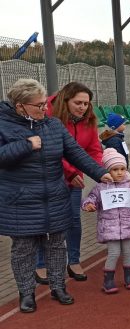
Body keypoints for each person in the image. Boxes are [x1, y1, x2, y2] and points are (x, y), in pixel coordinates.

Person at [0, 78, 111, 313]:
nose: (44, 108)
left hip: (54, 196)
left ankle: (58, 286)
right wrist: (25, 145)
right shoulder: (3, 125)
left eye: (44, 104)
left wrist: (101, 174)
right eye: (38, 105)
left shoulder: (53, 125)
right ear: (20, 106)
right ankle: (26, 292)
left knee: (56, 245)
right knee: (23, 249)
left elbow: (76, 153)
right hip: (21, 200)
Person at [35, 81, 104, 283]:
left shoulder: (89, 120)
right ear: (66, 101)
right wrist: (71, 171)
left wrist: (101, 173)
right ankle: (41, 263)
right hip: (47, 178)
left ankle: (73, 260)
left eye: (86, 103)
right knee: (45, 221)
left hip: (74, 180)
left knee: (73, 220)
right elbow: (49, 149)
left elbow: (93, 149)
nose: (83, 107)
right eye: (78, 102)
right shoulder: (46, 118)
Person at [82, 148, 130, 294]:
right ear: (107, 171)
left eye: (122, 169)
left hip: (128, 226)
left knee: (129, 252)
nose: (119, 172)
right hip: (109, 227)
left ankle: (129, 277)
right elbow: (91, 198)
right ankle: (108, 280)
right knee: (114, 253)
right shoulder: (100, 187)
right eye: (115, 169)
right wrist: (88, 205)